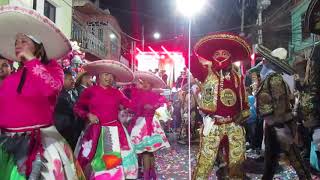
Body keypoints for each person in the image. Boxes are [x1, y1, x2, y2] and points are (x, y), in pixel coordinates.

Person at [0, 6, 84, 179]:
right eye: (16, 42)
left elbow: (51, 89)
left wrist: (31, 60)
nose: (18, 45)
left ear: (38, 46)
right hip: (7, 144)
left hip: (40, 145)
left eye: (23, 41)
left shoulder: (53, 68)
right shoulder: (12, 77)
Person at [191, 33, 250, 179]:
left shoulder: (238, 77)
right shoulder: (206, 73)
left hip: (233, 125)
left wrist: (242, 115)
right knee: (205, 162)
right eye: (217, 53)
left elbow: (245, 104)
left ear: (230, 56)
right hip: (213, 124)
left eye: (224, 53)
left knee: (237, 163)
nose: (221, 56)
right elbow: (191, 62)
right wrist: (184, 39)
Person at [74, 60, 138, 179]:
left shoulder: (117, 93)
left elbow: (130, 105)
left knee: (111, 164)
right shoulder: (89, 91)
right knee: (92, 161)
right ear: (99, 75)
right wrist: (88, 115)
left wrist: (138, 94)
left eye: (111, 75)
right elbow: (77, 108)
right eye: (105, 74)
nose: (108, 78)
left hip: (112, 132)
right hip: (94, 132)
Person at [255, 45, 311, 179]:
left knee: (294, 157)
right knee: (271, 159)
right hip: (274, 124)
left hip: (279, 124)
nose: (263, 62)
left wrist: (279, 126)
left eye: (266, 60)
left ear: (271, 62)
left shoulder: (274, 79)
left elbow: (279, 102)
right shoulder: (272, 78)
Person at [127, 71, 170, 179]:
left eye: (148, 82)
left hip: (149, 125)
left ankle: (148, 175)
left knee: (147, 152)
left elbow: (161, 101)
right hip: (141, 124)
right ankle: (151, 173)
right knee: (148, 152)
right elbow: (133, 107)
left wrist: (152, 106)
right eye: (143, 82)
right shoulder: (138, 94)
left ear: (152, 85)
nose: (145, 84)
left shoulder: (154, 96)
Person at [54, 70, 81, 150]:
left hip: (72, 131)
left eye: (73, 79)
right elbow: (72, 110)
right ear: (63, 79)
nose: (73, 81)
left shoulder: (73, 93)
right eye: (70, 79)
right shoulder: (59, 94)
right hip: (62, 130)